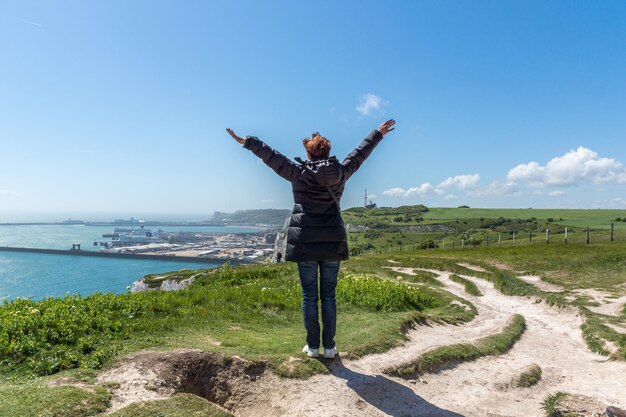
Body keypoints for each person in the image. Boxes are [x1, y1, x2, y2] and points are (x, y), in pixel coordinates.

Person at [226, 119, 395, 359]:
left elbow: (272, 157)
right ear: (328, 151)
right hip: (332, 241)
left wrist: (249, 142)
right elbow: (360, 154)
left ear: (308, 152)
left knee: (309, 296)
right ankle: (329, 348)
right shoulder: (341, 172)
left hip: (305, 240)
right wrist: (377, 134)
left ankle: (313, 347)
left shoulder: (298, 172)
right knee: (328, 296)